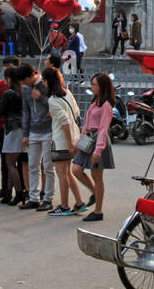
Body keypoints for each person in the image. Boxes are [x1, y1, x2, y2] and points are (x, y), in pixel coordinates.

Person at [72, 72, 115, 221]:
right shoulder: (94, 102)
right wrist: (80, 141)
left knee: (97, 176)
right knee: (76, 169)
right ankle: (94, 194)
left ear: (101, 86)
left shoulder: (106, 105)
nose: (92, 87)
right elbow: (86, 124)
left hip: (98, 141)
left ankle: (98, 211)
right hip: (88, 139)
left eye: (94, 84)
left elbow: (103, 128)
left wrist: (98, 149)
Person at [43, 63, 84, 216]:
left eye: (43, 79)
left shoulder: (53, 100)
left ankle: (65, 206)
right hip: (73, 136)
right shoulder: (67, 93)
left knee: (62, 174)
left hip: (62, 141)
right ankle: (79, 202)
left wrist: (69, 144)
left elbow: (65, 122)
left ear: (48, 81)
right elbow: (76, 112)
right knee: (67, 173)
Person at [0, 66, 26, 205]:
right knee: (14, 162)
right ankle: (9, 193)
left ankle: (19, 193)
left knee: (9, 163)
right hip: (22, 128)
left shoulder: (9, 93)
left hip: (12, 128)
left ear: (9, 78)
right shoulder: (23, 91)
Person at [20, 63, 54, 211]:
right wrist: (25, 133)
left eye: (24, 80)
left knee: (48, 166)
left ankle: (48, 198)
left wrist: (40, 97)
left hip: (48, 130)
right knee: (32, 165)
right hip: (33, 131)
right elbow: (26, 112)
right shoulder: (25, 89)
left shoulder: (45, 85)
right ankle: (33, 198)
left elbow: (54, 105)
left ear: (30, 76)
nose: (23, 84)